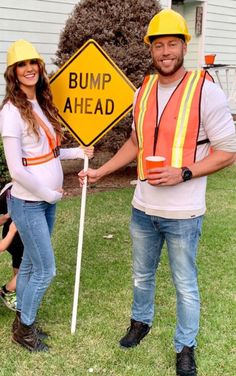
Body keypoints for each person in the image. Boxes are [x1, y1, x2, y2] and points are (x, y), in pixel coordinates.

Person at [79, 9, 236, 376]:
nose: (165, 51)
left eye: (172, 44)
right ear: (151, 50)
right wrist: (101, 170)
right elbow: (136, 141)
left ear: (184, 46)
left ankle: (185, 347)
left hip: (184, 213)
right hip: (143, 208)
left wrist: (185, 172)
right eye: (158, 45)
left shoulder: (206, 92)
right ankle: (141, 322)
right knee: (141, 275)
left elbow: (227, 151)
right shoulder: (143, 90)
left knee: (185, 285)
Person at [0, 39, 94, 352]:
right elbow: (17, 169)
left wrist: (76, 151)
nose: (28, 69)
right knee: (45, 269)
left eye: (33, 63)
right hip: (29, 202)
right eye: (21, 65)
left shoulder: (40, 102)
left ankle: (21, 323)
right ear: (13, 73)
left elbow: (47, 153)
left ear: (39, 67)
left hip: (44, 201)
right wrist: (48, 194)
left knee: (29, 264)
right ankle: (25, 329)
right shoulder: (11, 111)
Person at [0, 182, 24, 311]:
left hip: (16, 240)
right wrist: (11, 230)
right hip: (14, 239)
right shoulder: (11, 189)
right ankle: (6, 291)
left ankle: (18, 294)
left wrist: (6, 216)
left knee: (20, 261)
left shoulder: (10, 189)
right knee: (34, 267)